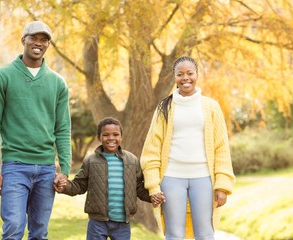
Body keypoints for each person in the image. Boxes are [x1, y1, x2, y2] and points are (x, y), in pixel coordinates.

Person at [0, 20, 71, 239]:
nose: (38, 43)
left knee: (40, 232)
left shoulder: (58, 83)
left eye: (44, 40)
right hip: (14, 166)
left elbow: (62, 128)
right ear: (24, 40)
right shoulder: (2, 76)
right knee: (13, 226)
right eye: (34, 38)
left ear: (48, 45)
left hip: (46, 168)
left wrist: (65, 169)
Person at [141, 56, 235, 240]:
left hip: (204, 178)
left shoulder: (211, 107)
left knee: (205, 234)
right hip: (171, 178)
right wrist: (153, 186)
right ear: (174, 77)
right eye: (180, 74)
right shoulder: (164, 108)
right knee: (174, 234)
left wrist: (222, 185)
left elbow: (221, 148)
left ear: (197, 75)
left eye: (190, 73)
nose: (186, 78)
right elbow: (151, 150)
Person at [55, 117, 152, 240]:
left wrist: (153, 196)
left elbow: (139, 187)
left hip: (123, 224)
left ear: (121, 137)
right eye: (106, 135)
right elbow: (79, 185)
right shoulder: (91, 161)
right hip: (97, 222)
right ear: (99, 138)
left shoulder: (131, 160)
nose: (111, 138)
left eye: (115, 134)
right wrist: (65, 186)